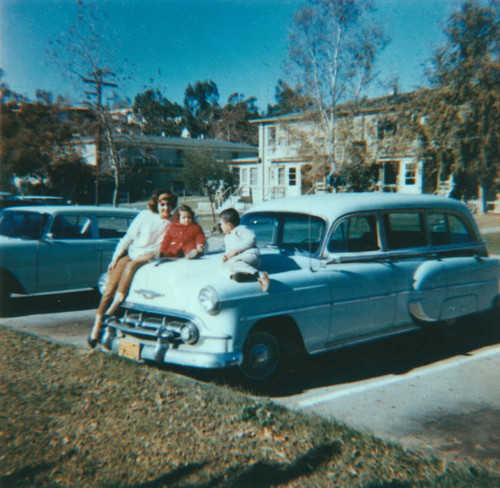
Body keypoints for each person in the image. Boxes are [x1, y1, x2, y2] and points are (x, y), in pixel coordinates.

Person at [88, 190, 177, 348]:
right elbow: (128, 237)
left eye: (169, 205)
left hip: (148, 256)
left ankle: (113, 308)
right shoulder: (144, 216)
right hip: (133, 252)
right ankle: (96, 326)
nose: (165, 208)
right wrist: (115, 257)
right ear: (157, 205)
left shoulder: (173, 222)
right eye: (162, 205)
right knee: (109, 287)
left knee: (130, 267)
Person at [219, 207, 269, 292]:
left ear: (229, 225)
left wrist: (236, 250)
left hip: (251, 256)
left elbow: (251, 239)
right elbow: (229, 252)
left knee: (233, 262)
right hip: (239, 261)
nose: (220, 226)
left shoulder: (241, 229)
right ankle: (237, 276)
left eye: (221, 224)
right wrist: (226, 257)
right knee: (221, 267)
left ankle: (259, 275)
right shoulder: (227, 237)